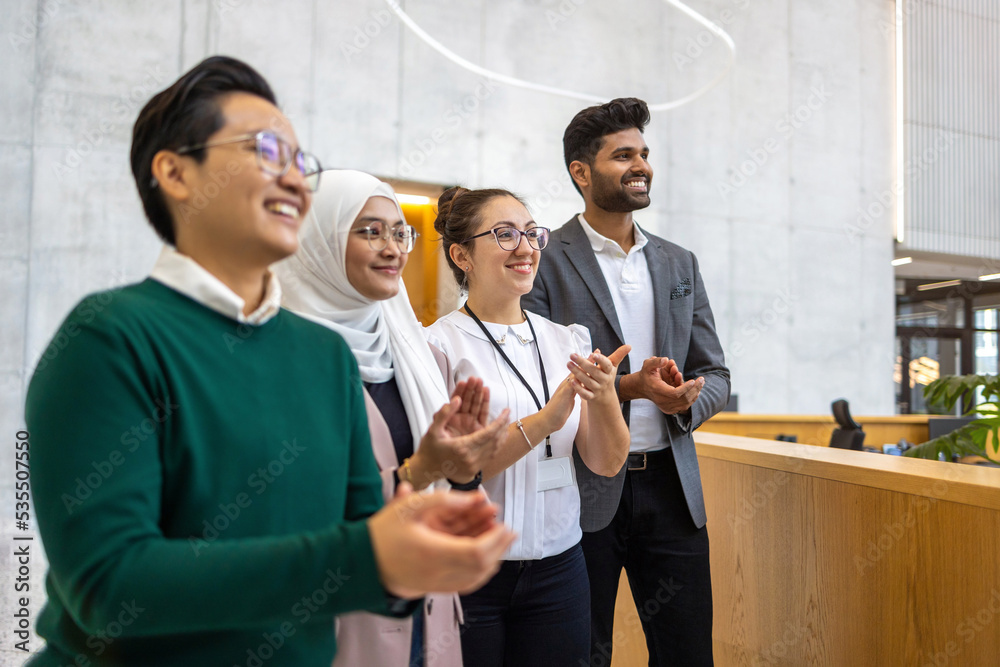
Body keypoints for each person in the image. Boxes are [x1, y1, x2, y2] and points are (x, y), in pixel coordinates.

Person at [24, 56, 514, 667]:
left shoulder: (322, 357)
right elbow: (108, 586)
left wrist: (425, 525)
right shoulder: (112, 337)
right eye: (265, 152)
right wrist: (370, 557)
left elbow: (359, 538)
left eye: (299, 162)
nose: (293, 180)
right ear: (175, 173)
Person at [521, 97, 731, 666]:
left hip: (672, 489)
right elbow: (538, 387)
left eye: (643, 153)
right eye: (622, 155)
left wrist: (685, 401)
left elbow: (716, 373)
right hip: (580, 488)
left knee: (687, 654)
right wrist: (629, 388)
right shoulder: (543, 260)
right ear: (581, 173)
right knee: (583, 654)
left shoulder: (678, 263)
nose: (640, 165)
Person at [276, 169, 511, 667]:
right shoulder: (282, 357)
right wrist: (417, 473)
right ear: (318, 241)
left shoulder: (406, 344)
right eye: (370, 231)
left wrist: (461, 469)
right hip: (340, 614)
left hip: (427, 606)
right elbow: (289, 510)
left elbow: (438, 483)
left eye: (400, 232)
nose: (393, 248)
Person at [426, 186, 632, 667]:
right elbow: (453, 470)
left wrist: (603, 398)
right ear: (462, 255)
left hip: (561, 567)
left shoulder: (567, 341)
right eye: (504, 235)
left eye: (531, 234)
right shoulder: (437, 346)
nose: (525, 247)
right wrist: (545, 421)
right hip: (471, 571)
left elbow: (606, 462)